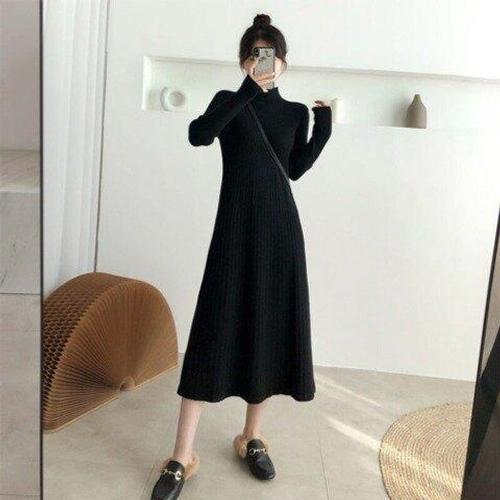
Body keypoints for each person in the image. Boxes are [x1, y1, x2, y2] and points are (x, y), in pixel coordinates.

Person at [151, 13, 332, 500]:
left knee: (266, 329)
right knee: (213, 329)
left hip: (281, 232)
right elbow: (198, 134)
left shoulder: (294, 112)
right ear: (243, 61)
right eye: (255, 54)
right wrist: (249, 90)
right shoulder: (228, 102)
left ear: (284, 61)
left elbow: (293, 169)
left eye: (270, 54)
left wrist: (322, 132)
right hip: (234, 231)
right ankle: (181, 456)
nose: (263, 61)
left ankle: (252, 437)